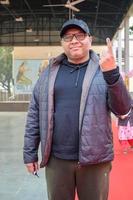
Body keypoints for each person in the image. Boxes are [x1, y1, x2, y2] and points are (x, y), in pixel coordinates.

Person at [23, 18, 131, 200]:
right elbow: (35, 113)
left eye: (79, 35)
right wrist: (29, 153)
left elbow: (123, 110)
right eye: (68, 37)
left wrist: (112, 74)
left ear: (89, 39)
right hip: (57, 159)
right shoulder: (49, 72)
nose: (74, 40)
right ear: (62, 43)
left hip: (95, 160)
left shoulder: (103, 69)